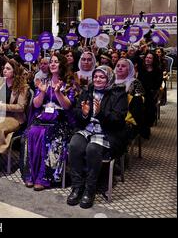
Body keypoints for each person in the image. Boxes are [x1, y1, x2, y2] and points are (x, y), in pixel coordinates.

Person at [68, 66, 128, 209]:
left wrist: (100, 113)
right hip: (87, 129)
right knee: (74, 145)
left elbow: (118, 120)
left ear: (109, 79)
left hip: (107, 132)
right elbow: (77, 114)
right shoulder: (87, 91)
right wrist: (83, 113)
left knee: (92, 149)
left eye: (102, 77)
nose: (97, 79)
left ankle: (90, 189)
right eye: (95, 77)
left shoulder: (118, 94)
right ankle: (77, 187)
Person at [24, 54, 76, 191]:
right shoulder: (44, 82)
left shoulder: (69, 83)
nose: (52, 64)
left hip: (61, 120)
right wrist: (41, 92)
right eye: (51, 62)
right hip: (44, 117)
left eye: (56, 62)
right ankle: (32, 175)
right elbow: (36, 104)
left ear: (62, 64)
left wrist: (58, 92)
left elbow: (68, 106)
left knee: (49, 134)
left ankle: (44, 177)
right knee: (32, 132)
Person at [114, 58, 147, 139]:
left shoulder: (135, 82)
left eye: (123, 66)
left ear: (129, 69)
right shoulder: (110, 81)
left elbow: (138, 106)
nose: (120, 68)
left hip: (127, 116)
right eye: (118, 66)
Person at [137, 52, 163, 138]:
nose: (147, 59)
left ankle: (146, 129)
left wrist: (149, 88)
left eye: (150, 58)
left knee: (149, 111)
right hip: (139, 93)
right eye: (147, 57)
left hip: (150, 94)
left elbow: (157, 84)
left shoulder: (157, 70)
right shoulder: (141, 68)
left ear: (153, 60)